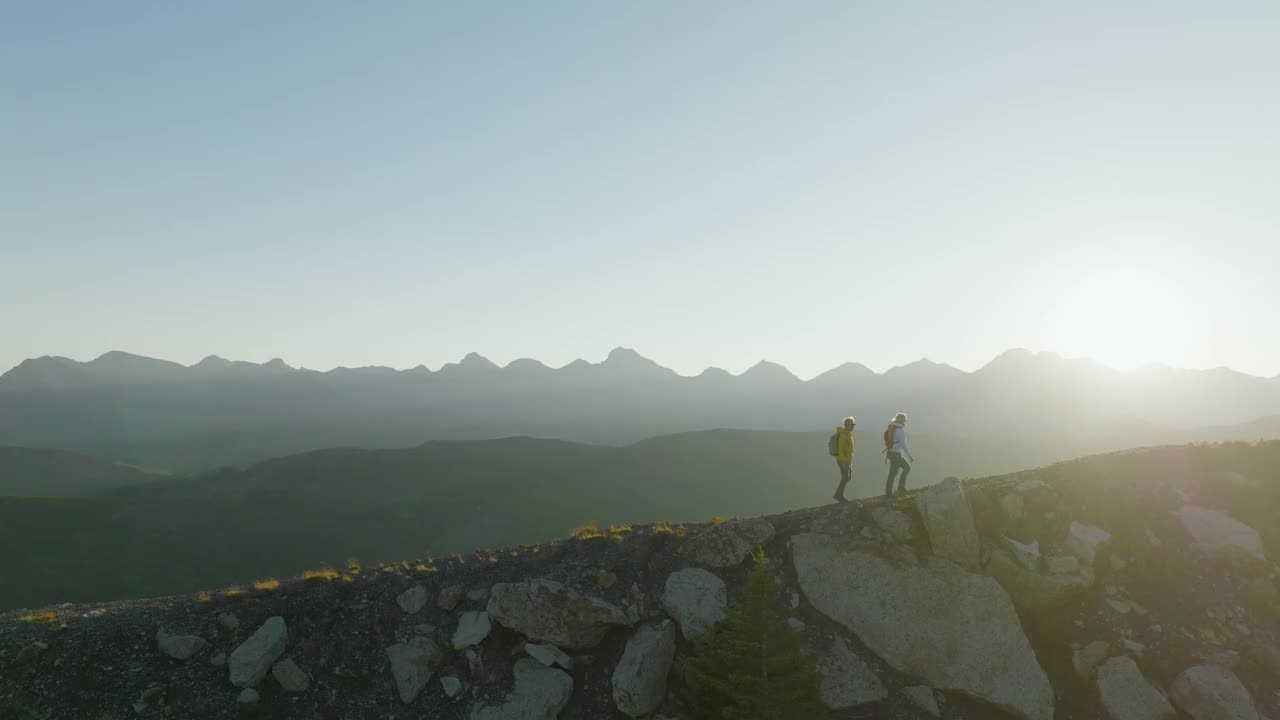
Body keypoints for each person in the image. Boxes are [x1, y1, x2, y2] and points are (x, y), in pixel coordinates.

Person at [884, 412, 914, 498]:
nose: (905, 422)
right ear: (901, 421)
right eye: (904, 420)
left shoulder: (891, 427)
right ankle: (890, 493)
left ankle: (899, 488)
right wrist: (909, 456)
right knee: (894, 473)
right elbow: (903, 445)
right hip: (896, 454)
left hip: (890, 452)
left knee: (902, 469)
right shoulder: (900, 430)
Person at [833, 416, 855, 503]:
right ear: (846, 425)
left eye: (853, 425)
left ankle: (838, 495)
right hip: (843, 460)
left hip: (846, 460)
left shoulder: (847, 434)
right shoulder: (844, 434)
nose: (853, 426)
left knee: (845, 478)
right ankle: (839, 496)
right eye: (851, 425)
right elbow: (841, 449)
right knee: (845, 478)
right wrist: (844, 462)